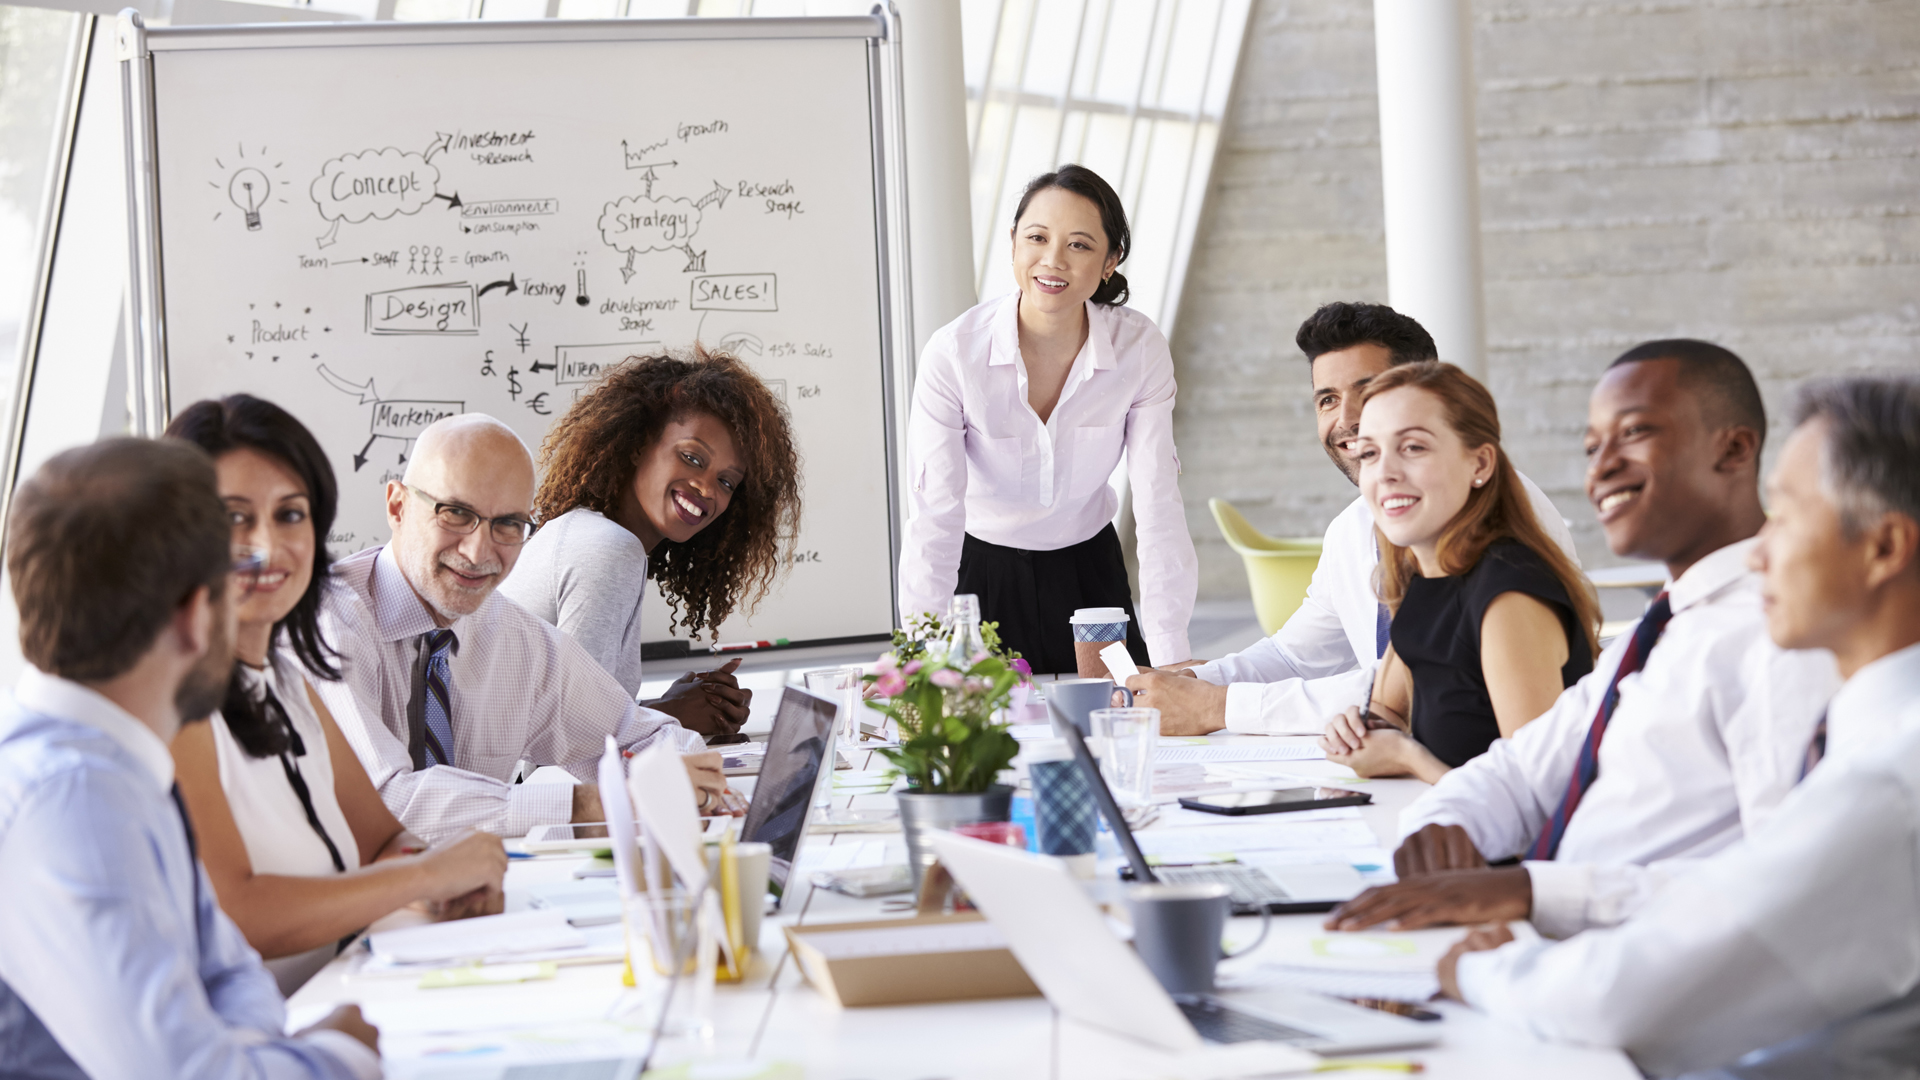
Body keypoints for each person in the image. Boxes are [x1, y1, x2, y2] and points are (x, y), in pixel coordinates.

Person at [1435, 375, 1920, 1078]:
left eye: (1785, 517)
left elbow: (1628, 999)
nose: (1759, 552)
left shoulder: (1889, 783)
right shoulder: (1871, 742)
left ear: (1883, 549)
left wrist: (1486, 967)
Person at [1324, 341, 1836, 943]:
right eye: (1593, 446)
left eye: (1635, 433)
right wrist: (1445, 825)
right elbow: (1525, 767)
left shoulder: (1776, 639)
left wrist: (1528, 894)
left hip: (1626, 965)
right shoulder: (1656, 634)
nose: (1601, 467)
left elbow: (1786, 888)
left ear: (1736, 449)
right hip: (1546, 936)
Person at [0, 437, 381, 1079]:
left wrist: (260, 1051)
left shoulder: (118, 764)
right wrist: (340, 1052)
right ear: (197, 614)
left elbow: (228, 971)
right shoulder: (74, 799)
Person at [166, 395, 509, 995]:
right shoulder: (172, 703)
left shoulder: (286, 676)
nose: (268, 547)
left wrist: (438, 882)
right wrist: (424, 878)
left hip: (345, 994)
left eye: (290, 515)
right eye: (233, 518)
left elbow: (381, 838)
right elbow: (238, 914)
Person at [1125, 302, 1577, 734]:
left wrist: (1220, 707)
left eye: (1370, 393)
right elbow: (1297, 656)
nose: (1349, 420)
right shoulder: (1356, 525)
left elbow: (1429, 688)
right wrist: (1188, 682)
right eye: (1327, 399)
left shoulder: (1497, 523)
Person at [309, 413, 732, 844]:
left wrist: (688, 781)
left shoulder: (511, 636)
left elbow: (641, 731)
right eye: (455, 513)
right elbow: (384, 802)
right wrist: (596, 804)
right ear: (398, 506)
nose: (478, 552)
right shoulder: (327, 623)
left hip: (478, 895)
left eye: (507, 524)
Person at [897, 164, 1197, 672]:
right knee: (980, 737)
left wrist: (1173, 659)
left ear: (1110, 260)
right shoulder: (954, 354)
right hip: (980, 573)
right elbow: (934, 517)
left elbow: (1158, 506)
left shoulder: (1138, 349)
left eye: (1079, 244)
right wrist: (918, 660)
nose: (1053, 260)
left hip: (1089, 573)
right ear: (1013, 241)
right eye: (1037, 237)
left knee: (1122, 717)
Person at [1315, 362, 1598, 781]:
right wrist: (1357, 729)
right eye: (1370, 452)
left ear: (1480, 464)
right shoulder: (1423, 575)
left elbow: (1540, 793)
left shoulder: (1510, 597)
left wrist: (1409, 759)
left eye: (1413, 448)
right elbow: (1387, 711)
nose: (1386, 473)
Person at [501, 346, 802, 739]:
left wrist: (663, 707)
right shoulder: (606, 547)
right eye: (693, 457)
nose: (707, 488)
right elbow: (572, 737)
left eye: (727, 481)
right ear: (639, 444)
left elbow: (569, 717)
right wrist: (675, 714)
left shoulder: (589, 534)